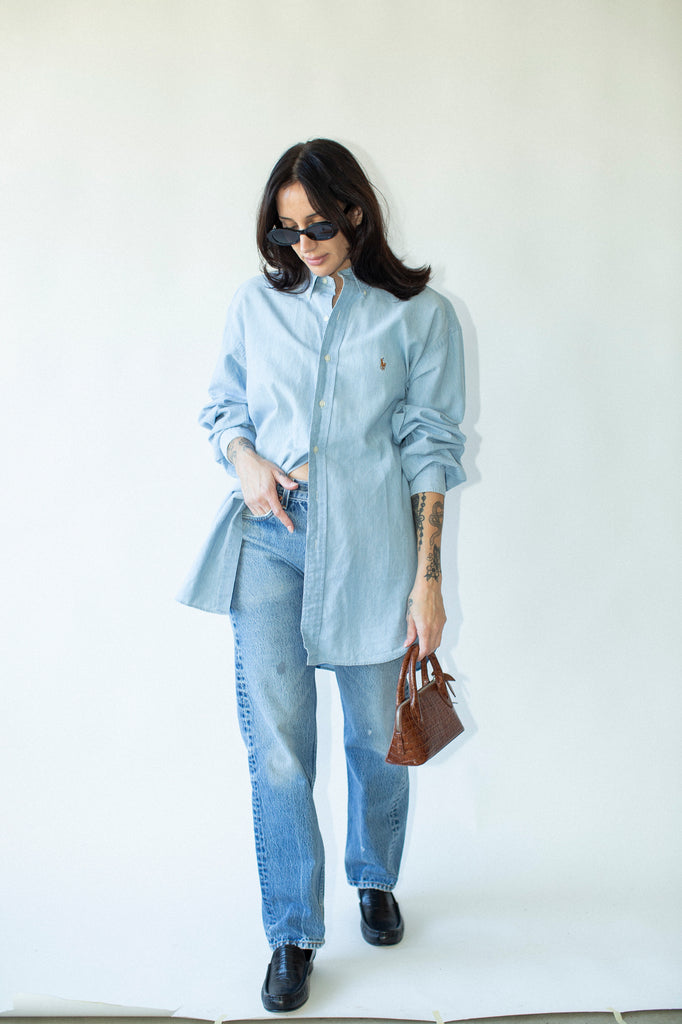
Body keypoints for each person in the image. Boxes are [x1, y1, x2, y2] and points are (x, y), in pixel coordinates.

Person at [178, 138, 466, 1012]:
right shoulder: (254, 308)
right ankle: (292, 933)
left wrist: (428, 580)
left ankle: (374, 875)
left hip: (375, 554)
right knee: (277, 754)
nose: (304, 241)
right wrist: (246, 461)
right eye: (286, 227)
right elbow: (224, 405)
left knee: (380, 742)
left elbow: (429, 449)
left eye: (319, 223)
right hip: (270, 542)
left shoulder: (418, 317)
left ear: (355, 212)